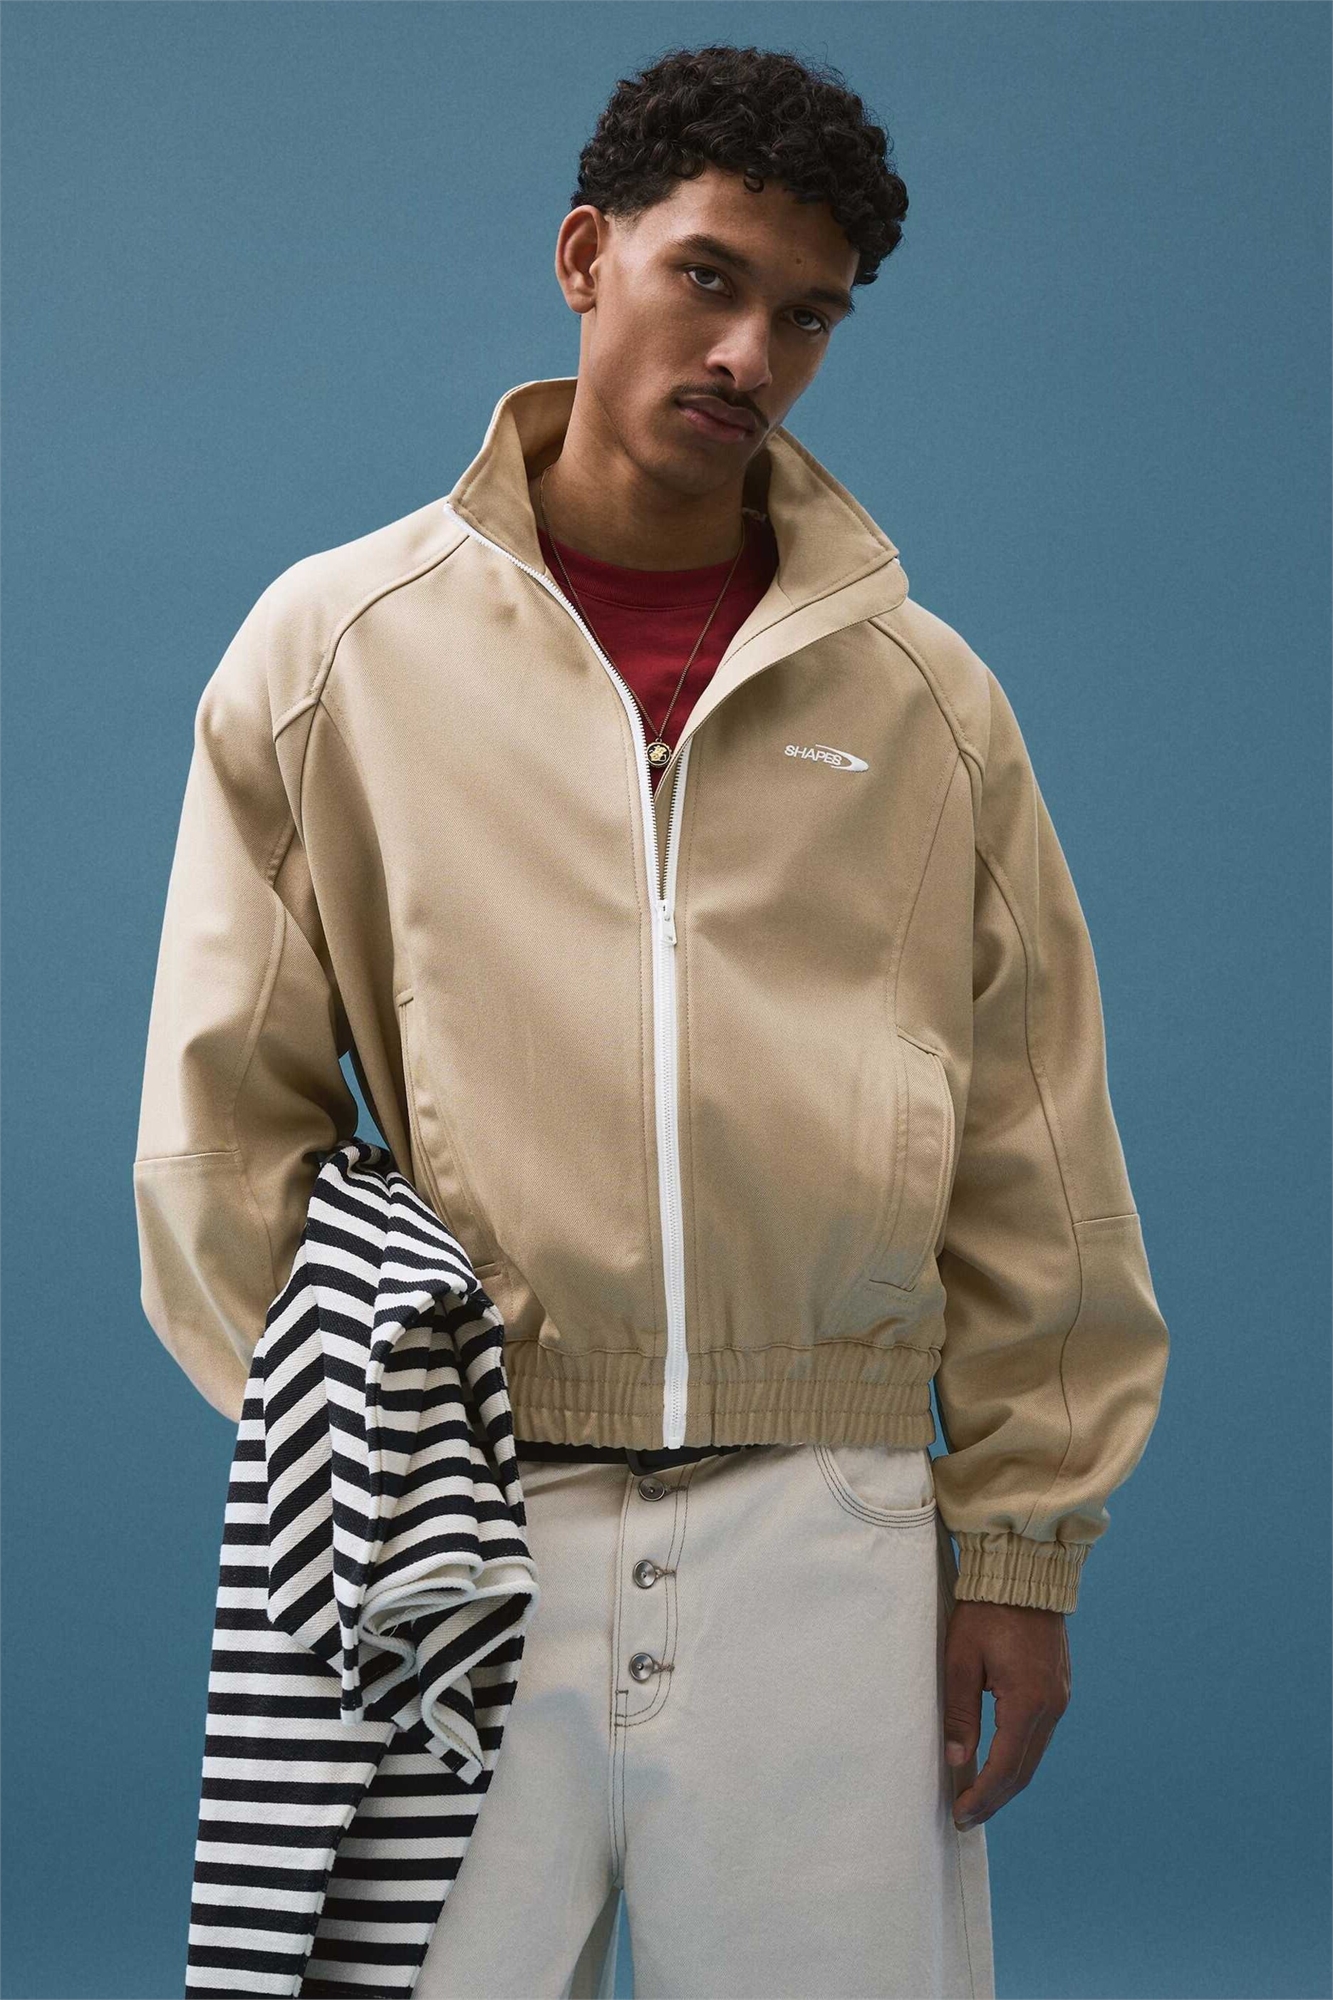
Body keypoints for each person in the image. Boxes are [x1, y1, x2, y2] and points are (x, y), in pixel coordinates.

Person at [133, 42, 1170, 2000]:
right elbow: (220, 1118)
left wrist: (1020, 1551)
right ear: (583, 256)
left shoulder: (929, 701)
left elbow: (1034, 1145)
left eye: (808, 315)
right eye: (708, 276)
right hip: (460, 1516)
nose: (750, 352)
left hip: (829, 1527)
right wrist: (362, 1451)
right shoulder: (335, 650)